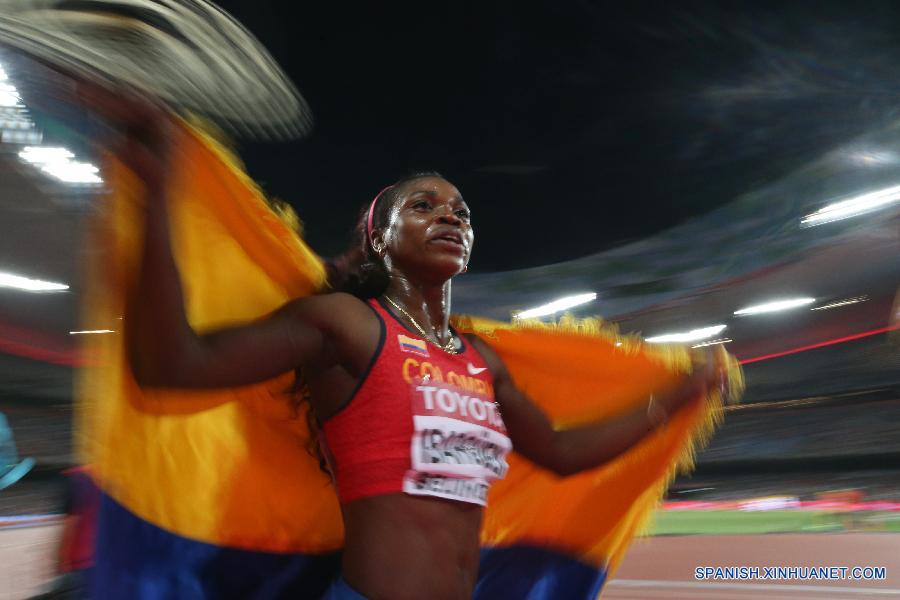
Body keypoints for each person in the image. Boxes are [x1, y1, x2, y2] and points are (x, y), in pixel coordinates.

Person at [109, 95, 729, 600]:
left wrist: (679, 394)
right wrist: (158, 194)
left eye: (461, 211)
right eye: (424, 205)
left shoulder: (481, 360)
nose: (451, 217)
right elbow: (171, 366)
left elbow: (562, 453)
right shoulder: (347, 326)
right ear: (380, 237)